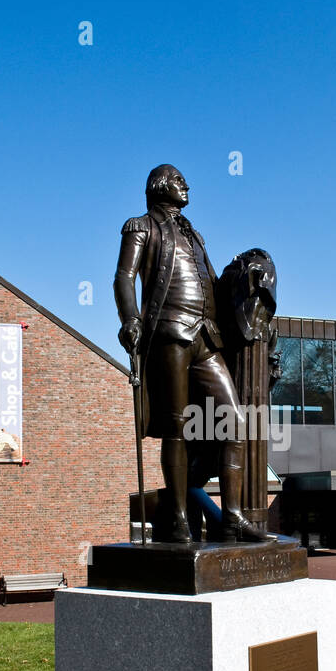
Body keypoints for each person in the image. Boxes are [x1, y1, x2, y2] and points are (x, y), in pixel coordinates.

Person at [114, 164, 265, 543]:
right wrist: (131, 319)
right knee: (176, 427)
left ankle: (231, 517)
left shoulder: (193, 233)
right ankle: (180, 518)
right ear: (160, 185)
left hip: (206, 337)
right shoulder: (140, 226)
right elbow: (123, 277)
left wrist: (247, 282)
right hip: (170, 332)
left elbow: (213, 282)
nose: (187, 186)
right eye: (180, 181)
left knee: (234, 422)